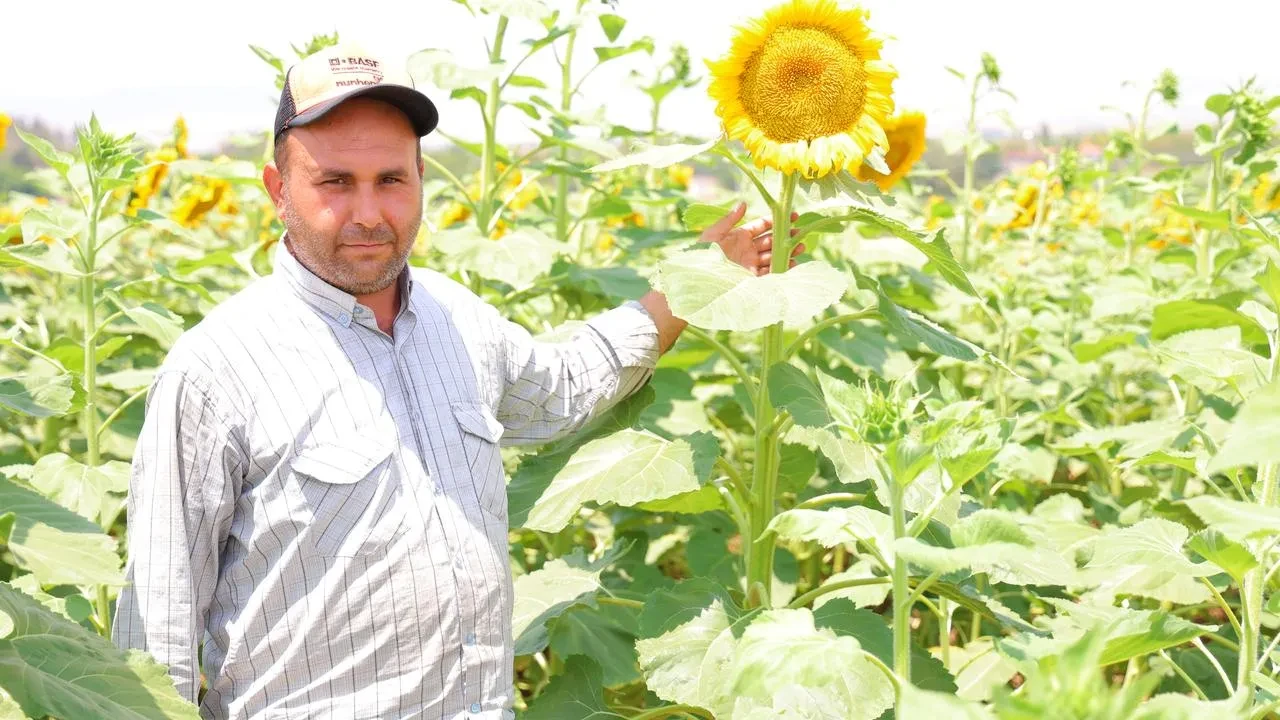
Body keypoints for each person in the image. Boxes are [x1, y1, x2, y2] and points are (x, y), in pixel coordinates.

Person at [112, 41, 800, 719]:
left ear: (420, 179)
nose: (368, 214)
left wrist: (694, 283)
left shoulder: (455, 318)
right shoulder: (216, 370)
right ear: (277, 190)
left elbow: (565, 386)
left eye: (391, 179)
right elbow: (157, 629)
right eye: (334, 182)